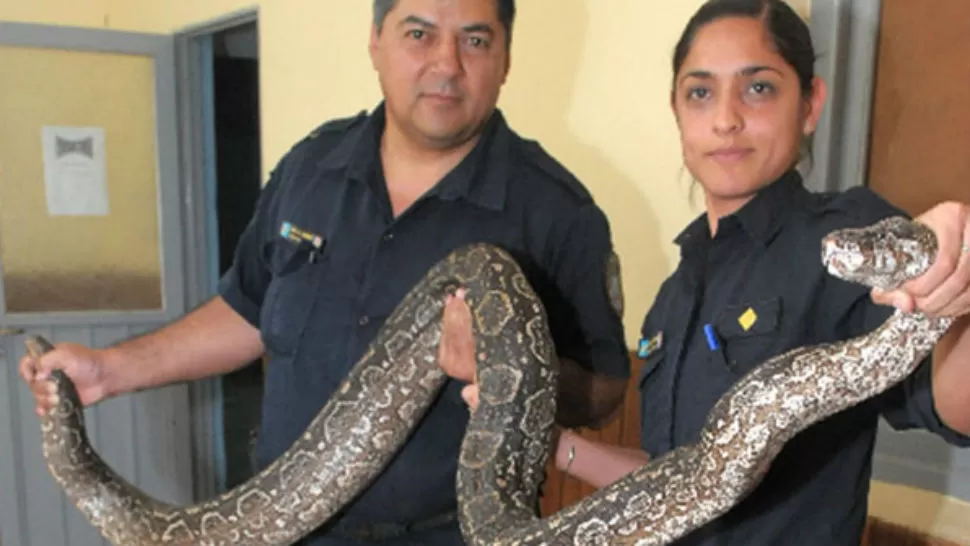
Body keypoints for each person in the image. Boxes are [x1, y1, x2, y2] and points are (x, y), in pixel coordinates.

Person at [18, 0, 632, 544]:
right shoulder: (311, 168)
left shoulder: (558, 211)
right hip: (281, 528)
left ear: (505, 58)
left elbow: (604, 394)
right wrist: (110, 370)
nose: (447, 64)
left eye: (475, 39)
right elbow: (247, 310)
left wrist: (512, 367)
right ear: (375, 41)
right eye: (419, 33)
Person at [447, 1, 970, 544]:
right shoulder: (676, 293)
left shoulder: (848, 237)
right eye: (700, 92)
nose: (725, 118)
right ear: (676, 110)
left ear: (810, 103)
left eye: (759, 88)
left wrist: (957, 280)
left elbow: (955, 403)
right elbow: (678, 482)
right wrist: (554, 442)